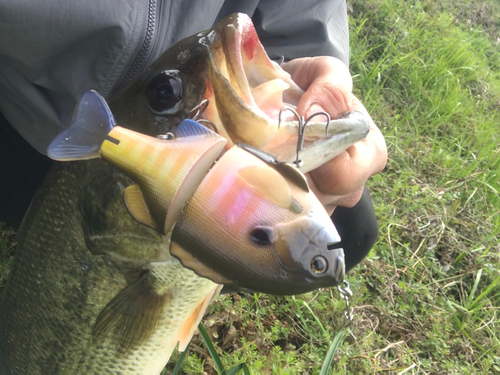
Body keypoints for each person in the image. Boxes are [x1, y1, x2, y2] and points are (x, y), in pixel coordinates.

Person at [0, 0, 386, 273]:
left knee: (345, 229)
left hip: (173, 133)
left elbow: (300, 15)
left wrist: (305, 68)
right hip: (20, 114)